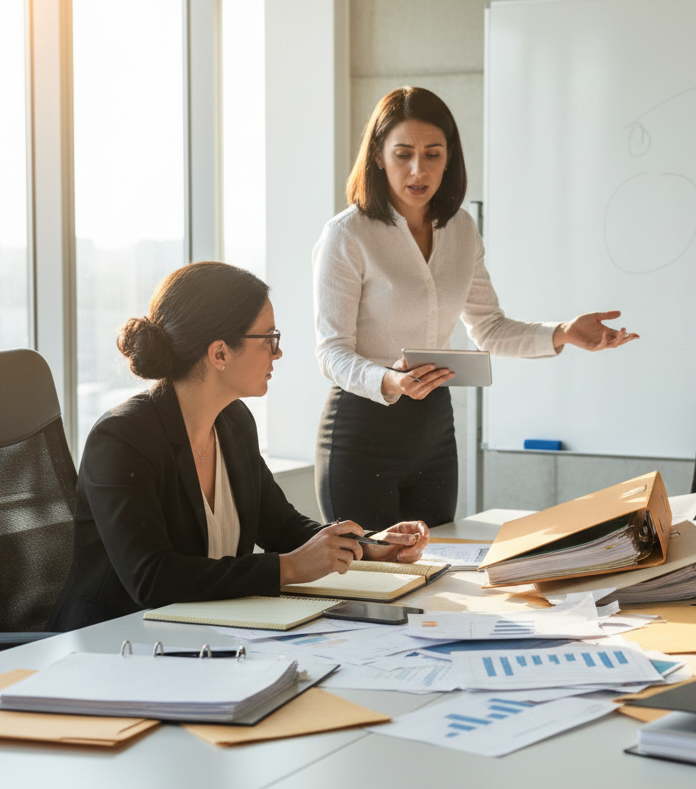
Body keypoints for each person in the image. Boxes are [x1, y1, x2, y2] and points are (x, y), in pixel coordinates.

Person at [313, 86, 638, 531]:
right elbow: (331, 351)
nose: (418, 169)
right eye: (403, 153)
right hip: (363, 431)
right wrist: (389, 379)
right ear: (377, 155)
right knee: (368, 584)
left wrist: (562, 331)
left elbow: (488, 328)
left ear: (450, 158)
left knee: (435, 574)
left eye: (433, 154)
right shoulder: (347, 234)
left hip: (432, 432)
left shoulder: (461, 228)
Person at [49, 262, 429, 632]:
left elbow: (281, 526)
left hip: (207, 632)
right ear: (220, 353)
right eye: (268, 339)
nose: (277, 353)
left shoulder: (234, 422)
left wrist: (364, 546)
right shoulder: (122, 439)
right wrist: (289, 568)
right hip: (117, 643)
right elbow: (151, 579)